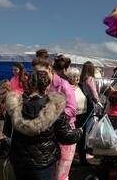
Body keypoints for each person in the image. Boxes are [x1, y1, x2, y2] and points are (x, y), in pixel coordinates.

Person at [3, 71, 83, 180]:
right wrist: (79, 132)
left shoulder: (15, 104)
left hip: (19, 160)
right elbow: (65, 137)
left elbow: (7, 131)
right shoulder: (54, 107)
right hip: (43, 161)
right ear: (47, 86)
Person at [31, 49, 77, 180]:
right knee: (49, 173)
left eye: (40, 72)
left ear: (49, 69)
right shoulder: (39, 86)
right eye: (35, 73)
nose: (37, 75)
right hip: (47, 134)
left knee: (60, 175)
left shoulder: (64, 85)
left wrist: (50, 114)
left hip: (64, 132)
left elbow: (72, 110)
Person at [67, 67, 95, 166]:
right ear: (70, 78)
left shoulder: (82, 86)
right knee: (72, 138)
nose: (78, 78)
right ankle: (69, 160)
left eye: (78, 76)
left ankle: (83, 160)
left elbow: (89, 98)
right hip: (72, 117)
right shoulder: (67, 87)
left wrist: (91, 109)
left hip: (84, 116)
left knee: (82, 139)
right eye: (75, 77)